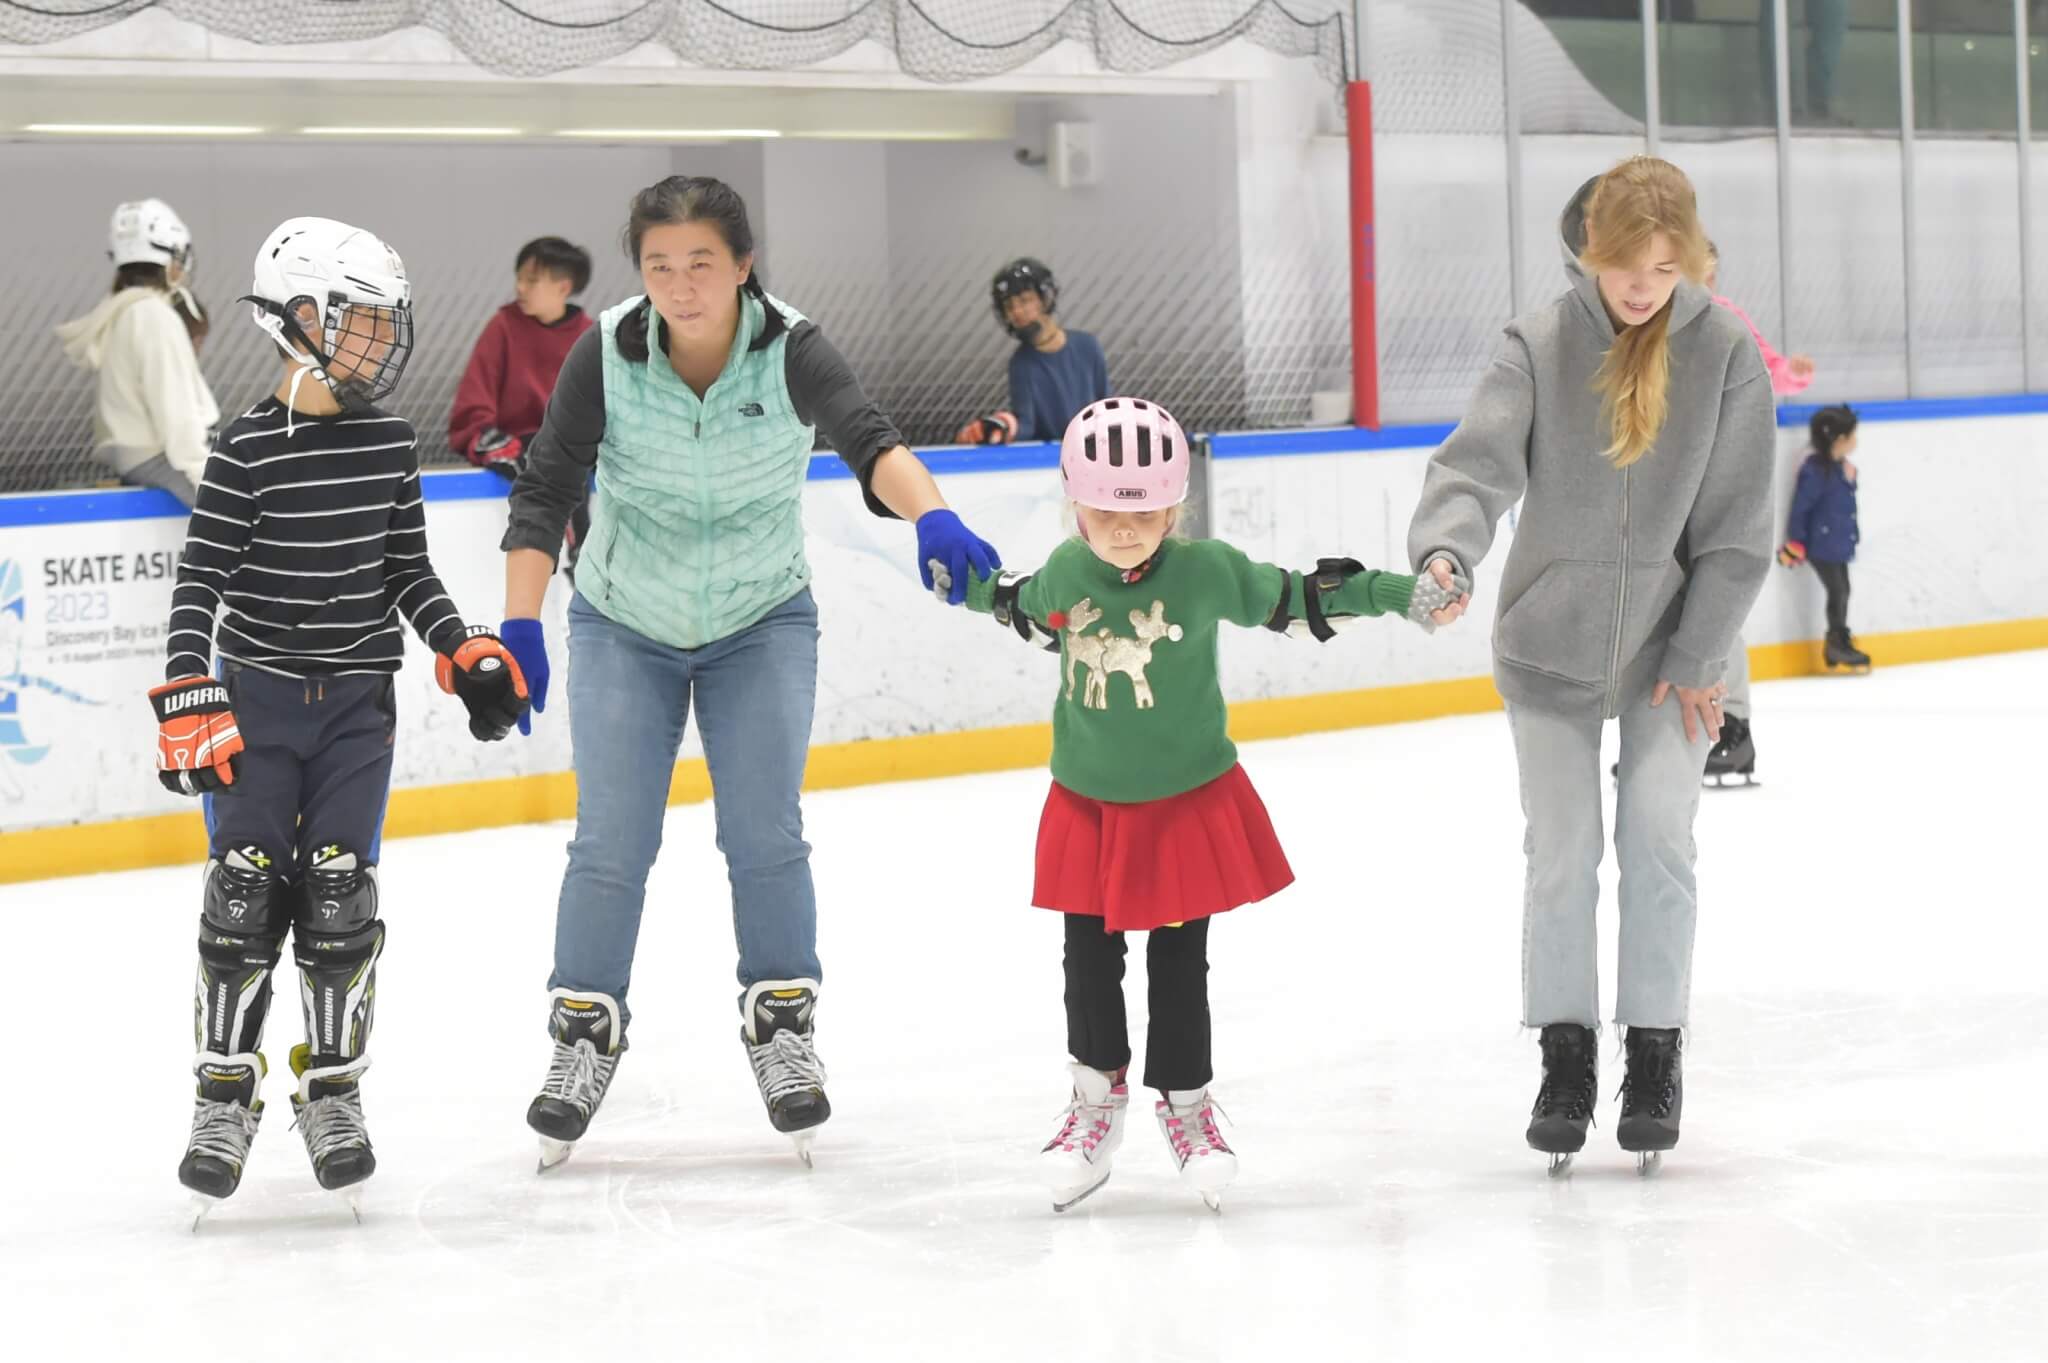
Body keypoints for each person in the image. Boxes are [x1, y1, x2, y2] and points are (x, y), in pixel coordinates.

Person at [499, 176, 1002, 1171]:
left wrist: (932, 513)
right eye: (658, 266)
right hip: (623, 618)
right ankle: (582, 1035)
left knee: (764, 835)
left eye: (701, 262)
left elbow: (868, 437)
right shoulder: (606, 350)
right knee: (609, 841)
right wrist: (519, 621)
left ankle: (781, 1025)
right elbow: (546, 483)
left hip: (760, 618)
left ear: (742, 265)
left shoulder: (791, 348)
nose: (680, 285)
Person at [935, 397, 1458, 1212]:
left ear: (1175, 508)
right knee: (1087, 962)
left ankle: (1187, 1107)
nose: (1124, 529)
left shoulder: (1206, 571)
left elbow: (1298, 596)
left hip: (1180, 805)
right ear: (1075, 504)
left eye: (1144, 511)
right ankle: (1095, 1103)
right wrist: (960, 578)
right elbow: (1021, 605)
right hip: (1089, 805)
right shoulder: (1067, 572)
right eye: (1106, 511)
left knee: (1179, 964)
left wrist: (1400, 593)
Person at [152, 216, 530, 1216]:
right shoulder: (242, 451)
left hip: (358, 710)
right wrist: (188, 682)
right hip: (256, 702)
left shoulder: (387, 442)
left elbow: (407, 569)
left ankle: (332, 1092)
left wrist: (461, 645)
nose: (378, 339)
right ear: (298, 318)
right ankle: (222, 1096)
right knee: (242, 892)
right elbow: (199, 582)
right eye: (360, 319)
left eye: (382, 321)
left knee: (337, 893)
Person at [1405, 157, 1775, 1174]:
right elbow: (1473, 466)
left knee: (1657, 838)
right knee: (1562, 851)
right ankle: (1564, 1056)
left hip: (1672, 651)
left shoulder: (1723, 351)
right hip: (1549, 645)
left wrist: (1699, 650)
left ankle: (1652, 1053)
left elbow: (1738, 528)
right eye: (1623, 264)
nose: (1641, 286)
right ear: (1589, 251)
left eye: (1663, 266)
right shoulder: (1538, 344)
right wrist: (1445, 553)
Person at [1703, 239, 1813, 786]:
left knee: (1714, 608)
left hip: (1718, 487)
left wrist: (1793, 374)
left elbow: (1769, 369)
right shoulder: (1645, 325)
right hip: (1670, 490)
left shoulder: (1725, 320)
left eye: (1704, 275)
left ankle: (1733, 726)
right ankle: (1668, 739)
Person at [55, 199, 219, 506]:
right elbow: (175, 407)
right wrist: (205, 476)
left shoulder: (123, 311)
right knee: (257, 520)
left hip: (138, 460)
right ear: (173, 258)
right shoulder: (154, 315)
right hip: (162, 458)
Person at [449, 237, 596, 566]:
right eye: (519, 278)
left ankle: (584, 556)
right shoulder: (503, 327)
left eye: (531, 280)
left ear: (563, 287)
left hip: (575, 447)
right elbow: (473, 406)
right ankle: (578, 555)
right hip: (521, 444)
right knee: (549, 460)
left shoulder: (589, 335)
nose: (520, 287)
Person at [953, 257, 1110, 446]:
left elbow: (1106, 406)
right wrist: (1003, 427)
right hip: (1054, 455)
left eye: (1024, 300)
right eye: (1009, 306)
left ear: (1045, 298)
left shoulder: (1087, 346)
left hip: (1095, 449)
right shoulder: (1021, 363)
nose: (1017, 311)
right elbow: (1027, 424)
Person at [1778, 403, 1867, 672]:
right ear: (1839, 439)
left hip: (1836, 543)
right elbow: (1801, 508)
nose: (1855, 440)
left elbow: (1843, 504)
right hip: (1822, 544)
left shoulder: (1839, 467)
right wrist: (1796, 542)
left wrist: (1849, 479)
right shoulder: (1816, 470)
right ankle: (1837, 643)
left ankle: (1836, 642)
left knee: (1843, 590)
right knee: (1838, 590)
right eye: (1852, 435)